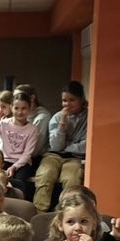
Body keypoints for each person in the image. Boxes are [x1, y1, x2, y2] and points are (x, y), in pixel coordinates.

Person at [32, 81, 88, 212]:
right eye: (64, 100)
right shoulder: (57, 118)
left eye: (72, 100)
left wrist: (66, 148)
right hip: (53, 155)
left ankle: (67, 212)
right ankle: (39, 212)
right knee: (45, 174)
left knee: (72, 178)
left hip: (75, 158)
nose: (67, 104)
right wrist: (62, 124)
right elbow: (56, 147)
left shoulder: (88, 117)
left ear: (81, 100)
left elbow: (85, 146)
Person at [0, 92, 40, 198]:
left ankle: (17, 204)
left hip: (22, 163)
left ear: (29, 108)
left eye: (24, 108)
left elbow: (27, 154)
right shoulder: (3, 124)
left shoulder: (32, 129)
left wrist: (14, 167)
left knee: (19, 183)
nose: (20, 112)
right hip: (5, 159)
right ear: (11, 107)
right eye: (16, 108)